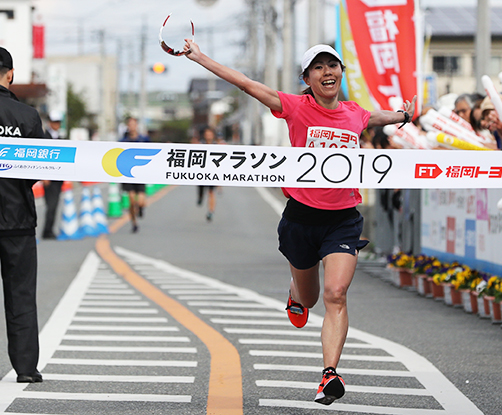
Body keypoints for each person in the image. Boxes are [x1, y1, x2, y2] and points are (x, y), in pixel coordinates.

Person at [184, 40, 416, 405]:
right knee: (308, 299)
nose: (328, 72)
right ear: (307, 78)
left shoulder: (353, 113)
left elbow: (373, 118)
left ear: (341, 72)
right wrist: (200, 58)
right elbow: (246, 83)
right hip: (301, 219)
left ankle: (329, 375)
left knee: (336, 294)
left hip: (342, 220)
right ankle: (295, 293)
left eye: (333, 65)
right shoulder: (295, 106)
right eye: (319, 67)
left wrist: (402, 116)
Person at [0, 47, 44, 383]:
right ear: (10, 74)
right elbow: (38, 169)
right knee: (21, 295)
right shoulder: (26, 116)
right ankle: (26, 369)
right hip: (16, 219)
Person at [120, 117, 150, 233]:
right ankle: (134, 223)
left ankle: (141, 208)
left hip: (141, 174)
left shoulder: (144, 139)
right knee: (132, 200)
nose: (132, 126)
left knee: (141, 201)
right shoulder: (123, 141)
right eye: (130, 124)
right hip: (127, 174)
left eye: (134, 124)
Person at [41, 111, 64, 239]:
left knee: (54, 205)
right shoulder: (45, 136)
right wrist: (44, 176)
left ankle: (49, 229)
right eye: (55, 122)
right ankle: (47, 231)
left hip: (57, 177)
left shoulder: (59, 137)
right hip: (48, 177)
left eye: (58, 122)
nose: (57, 124)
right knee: (51, 205)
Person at [196, 127, 222, 221]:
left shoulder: (217, 146)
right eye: (207, 134)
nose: (208, 136)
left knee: (211, 192)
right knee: (201, 189)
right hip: (201, 172)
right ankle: (200, 197)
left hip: (212, 172)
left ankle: (211, 211)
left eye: (210, 134)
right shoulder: (200, 145)